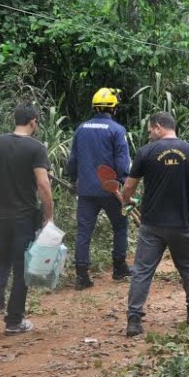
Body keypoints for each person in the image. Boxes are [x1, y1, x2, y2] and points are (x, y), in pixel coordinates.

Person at [121, 112, 189, 337]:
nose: (149, 135)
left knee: (142, 271)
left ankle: (134, 319)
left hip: (151, 225)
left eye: (149, 131)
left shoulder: (145, 152)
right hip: (181, 224)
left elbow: (129, 187)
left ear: (157, 127)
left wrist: (126, 202)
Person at [0, 104, 53, 336]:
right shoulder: (36, 148)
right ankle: (14, 321)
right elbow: (43, 184)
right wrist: (49, 216)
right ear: (33, 122)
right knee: (21, 268)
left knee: (2, 261)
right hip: (24, 218)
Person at [66, 87, 131, 290]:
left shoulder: (81, 129)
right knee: (120, 226)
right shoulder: (117, 130)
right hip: (110, 190)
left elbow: (73, 160)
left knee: (84, 232)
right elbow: (122, 162)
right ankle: (119, 268)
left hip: (86, 190)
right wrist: (124, 184)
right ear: (113, 108)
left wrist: (73, 181)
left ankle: (81, 275)